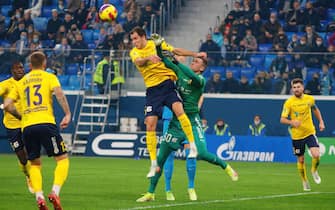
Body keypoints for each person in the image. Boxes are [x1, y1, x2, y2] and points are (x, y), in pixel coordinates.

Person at [136, 39, 238, 202]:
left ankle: (225, 166)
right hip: (177, 122)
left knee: (202, 153)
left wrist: (175, 60)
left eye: (196, 61)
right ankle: (151, 192)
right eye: (194, 60)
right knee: (160, 159)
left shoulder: (200, 81)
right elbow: (166, 61)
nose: (193, 62)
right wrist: (158, 46)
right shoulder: (180, 72)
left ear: (202, 68)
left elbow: (186, 71)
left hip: (192, 120)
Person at [130, 27, 205, 178]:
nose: (134, 42)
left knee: (180, 111)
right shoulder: (135, 52)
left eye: (136, 38)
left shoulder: (155, 44)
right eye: (133, 39)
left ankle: (193, 145)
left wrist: (195, 54)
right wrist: (148, 58)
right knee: (150, 124)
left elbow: (175, 51)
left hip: (168, 84)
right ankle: (153, 164)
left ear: (143, 36)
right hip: (152, 91)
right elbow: (139, 61)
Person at [4, 51, 71, 210]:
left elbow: (7, 104)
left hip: (27, 127)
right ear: (44, 63)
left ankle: (39, 196)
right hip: (46, 123)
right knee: (62, 159)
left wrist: (21, 116)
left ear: (29, 65)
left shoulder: (22, 81)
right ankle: (55, 192)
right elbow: (59, 94)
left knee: (34, 164)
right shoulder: (49, 77)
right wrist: (67, 114)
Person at [280, 78, 325, 191]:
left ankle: (314, 170)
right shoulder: (289, 103)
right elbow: (282, 119)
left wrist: (321, 121)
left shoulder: (309, 99)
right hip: (297, 136)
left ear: (302, 88)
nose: (296, 89)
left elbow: (315, 110)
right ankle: (304, 181)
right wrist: (292, 122)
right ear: (292, 89)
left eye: (298, 87)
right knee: (301, 160)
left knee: (316, 154)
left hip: (309, 132)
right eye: (294, 87)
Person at [0, 61, 33, 193]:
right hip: (12, 125)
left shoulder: (29, 82)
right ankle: (27, 174)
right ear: (12, 71)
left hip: (27, 123)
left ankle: (34, 177)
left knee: (31, 151)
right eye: (17, 68)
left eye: (21, 67)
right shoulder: (5, 84)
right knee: (22, 157)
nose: (20, 70)